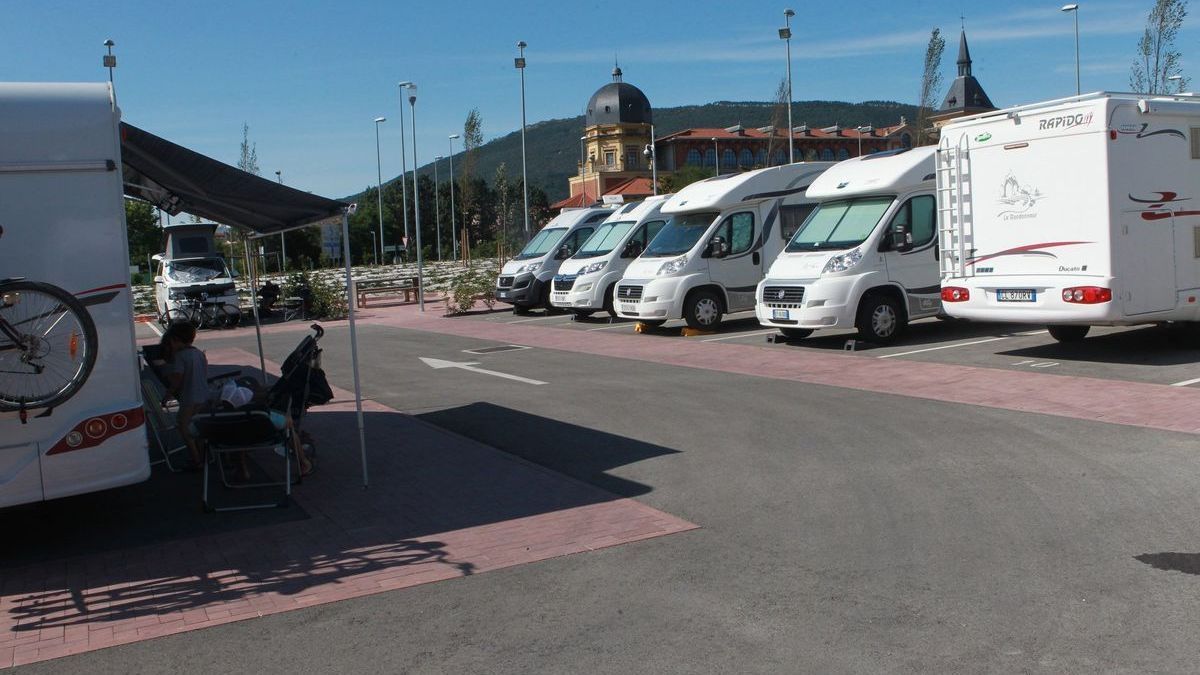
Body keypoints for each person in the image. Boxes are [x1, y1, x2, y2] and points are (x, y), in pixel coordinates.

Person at [219, 380, 314, 476]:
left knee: (240, 434)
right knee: (289, 430)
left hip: (230, 441)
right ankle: (304, 462)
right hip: (261, 438)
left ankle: (241, 469)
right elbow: (288, 423)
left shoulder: (220, 416)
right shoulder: (260, 414)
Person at [161, 321, 208, 469]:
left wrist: (167, 396)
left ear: (176, 340)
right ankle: (202, 455)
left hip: (189, 397)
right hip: (204, 394)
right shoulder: (199, 353)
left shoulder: (180, 357)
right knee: (198, 426)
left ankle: (196, 459)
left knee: (183, 426)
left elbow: (177, 380)